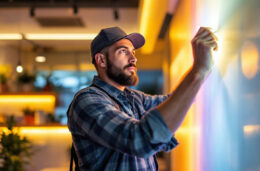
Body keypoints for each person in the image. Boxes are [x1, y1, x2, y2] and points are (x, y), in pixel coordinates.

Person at [67, 26, 218, 171]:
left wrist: (205, 67)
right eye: (123, 51)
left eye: (133, 52)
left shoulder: (133, 98)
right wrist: (197, 71)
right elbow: (138, 140)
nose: (133, 58)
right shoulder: (87, 100)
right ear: (101, 60)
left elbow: (176, 101)